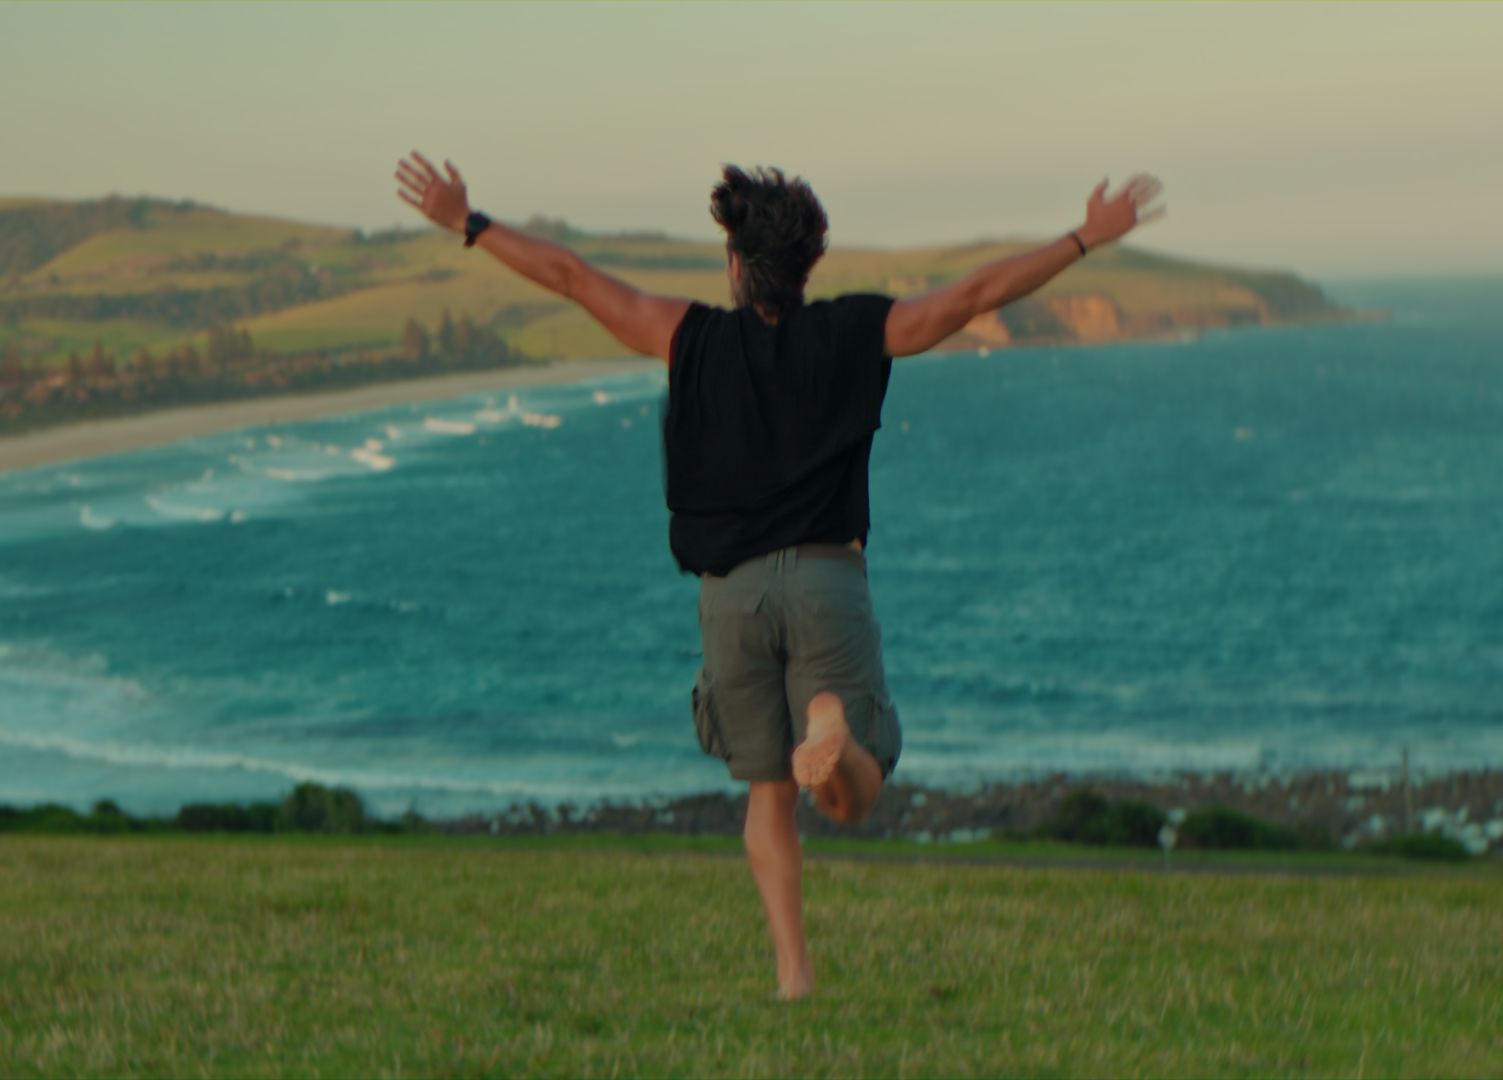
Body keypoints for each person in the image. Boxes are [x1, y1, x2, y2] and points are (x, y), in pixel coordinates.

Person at [395, 154, 1163, 999]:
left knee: (768, 792)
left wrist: (468, 222)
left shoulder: (683, 335)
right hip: (828, 583)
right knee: (851, 794)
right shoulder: (854, 331)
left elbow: (573, 278)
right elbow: (973, 296)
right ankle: (831, 724)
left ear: (734, 263)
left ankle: (794, 977)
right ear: (808, 267)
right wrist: (1087, 235)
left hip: (729, 597)